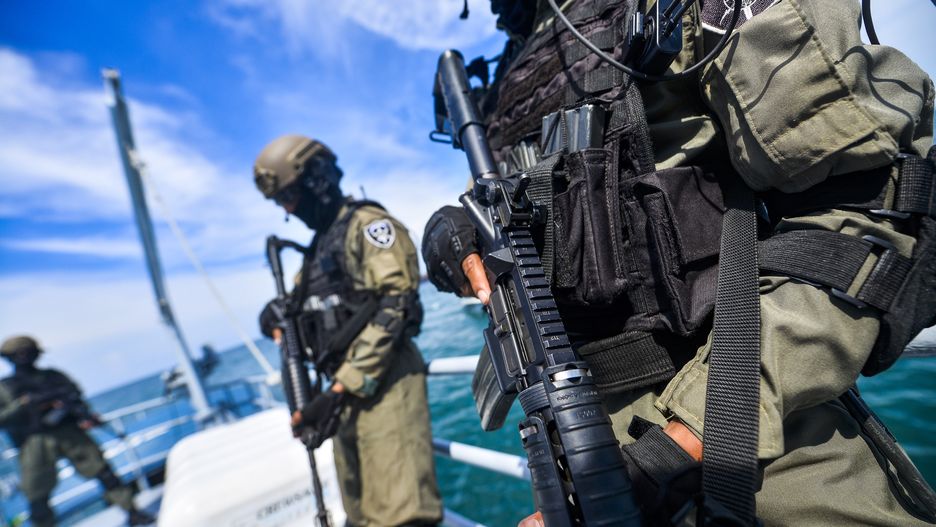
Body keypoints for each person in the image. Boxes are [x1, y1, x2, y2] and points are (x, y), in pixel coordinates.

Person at [422, 0, 935, 525]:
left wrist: (682, 441)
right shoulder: (513, 71)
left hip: (744, 445)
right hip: (571, 440)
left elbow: (872, 206)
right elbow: (503, 216)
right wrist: (452, 236)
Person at [254, 134, 443, 526]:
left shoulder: (368, 227)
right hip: (343, 398)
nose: (288, 210)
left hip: (383, 386)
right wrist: (274, 316)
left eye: (288, 196)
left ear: (315, 183)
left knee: (399, 515)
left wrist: (341, 387)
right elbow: (303, 312)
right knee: (359, 516)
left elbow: (397, 302)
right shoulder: (318, 251)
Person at [0, 335, 155, 526]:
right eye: (20, 353)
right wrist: (23, 405)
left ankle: (132, 511)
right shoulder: (4, 388)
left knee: (103, 472)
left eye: (28, 352)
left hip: (69, 431)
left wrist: (84, 415)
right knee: (37, 492)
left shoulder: (53, 376)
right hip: (35, 441)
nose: (25, 357)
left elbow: (75, 397)